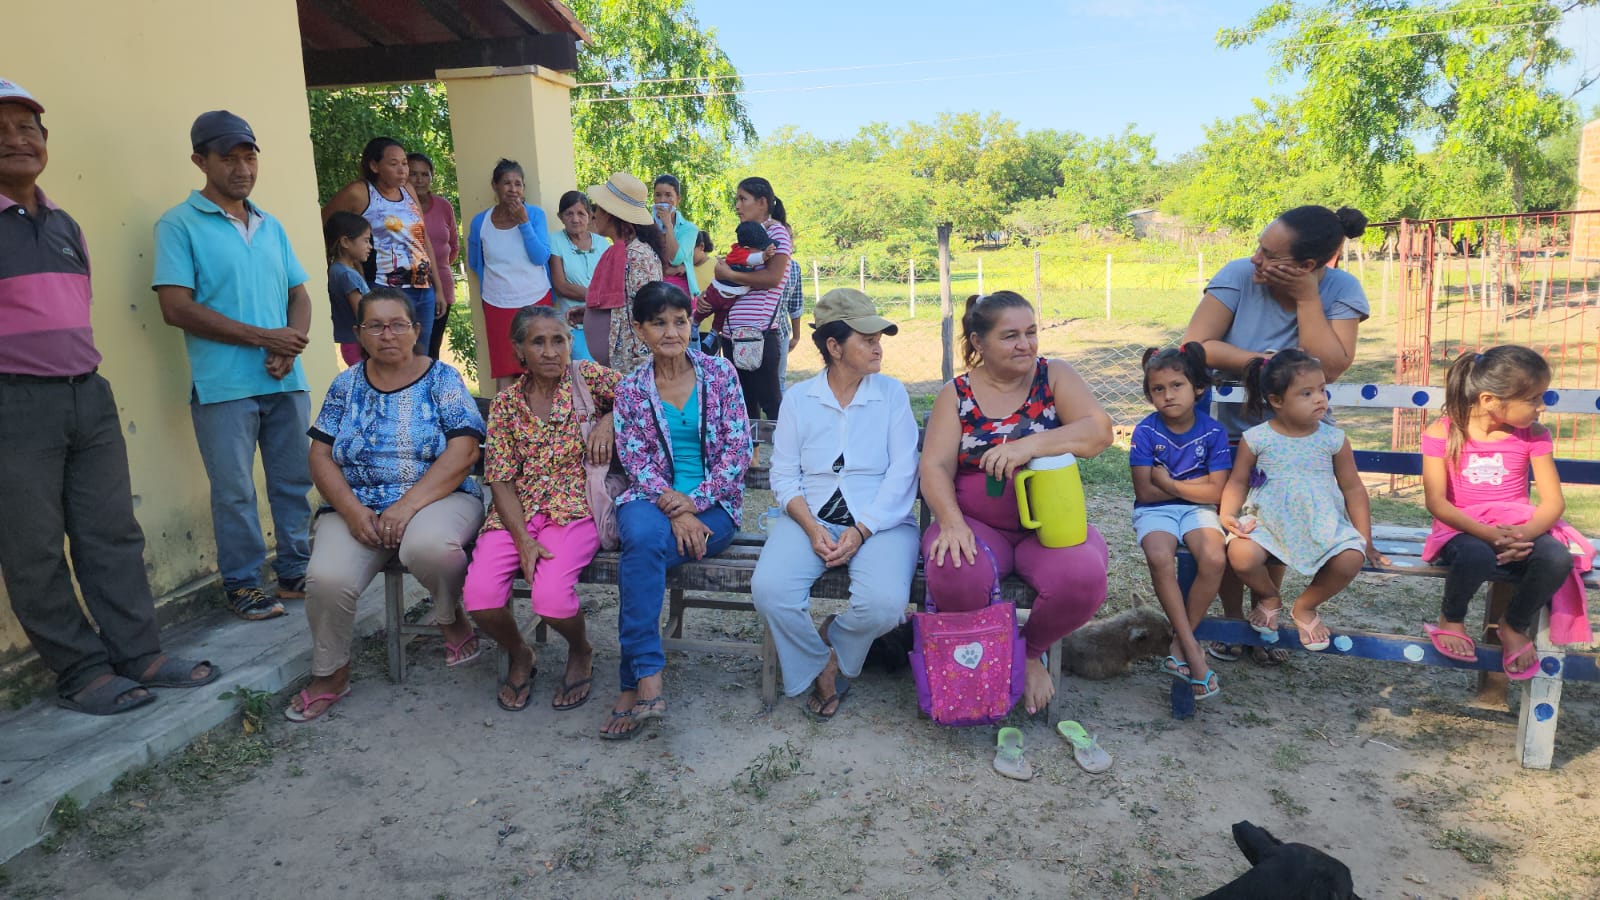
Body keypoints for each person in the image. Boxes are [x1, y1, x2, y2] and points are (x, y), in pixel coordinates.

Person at [0, 77, 217, 715]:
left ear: (45, 143)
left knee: (110, 534)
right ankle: (80, 670)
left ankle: (139, 651)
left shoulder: (63, 224)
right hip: (14, 404)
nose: (17, 141)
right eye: (2, 131)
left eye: (28, 130)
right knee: (32, 545)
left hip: (86, 396)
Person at [1180, 203, 1369, 664]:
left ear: (1306, 266)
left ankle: (1263, 616)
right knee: (1236, 533)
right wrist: (1264, 368)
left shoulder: (1341, 288)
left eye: (1270, 254)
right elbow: (1196, 345)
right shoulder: (1237, 276)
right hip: (1229, 431)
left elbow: (1333, 364)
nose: (1255, 260)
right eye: (1259, 247)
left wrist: (1308, 298)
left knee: (1281, 524)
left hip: (1299, 437)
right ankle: (1232, 624)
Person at [285, 289, 486, 722]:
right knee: (326, 578)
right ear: (358, 334)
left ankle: (450, 615)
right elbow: (319, 455)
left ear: (417, 330)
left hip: (438, 496)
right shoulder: (345, 385)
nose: (387, 334)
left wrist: (407, 507)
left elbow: (465, 450)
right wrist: (353, 512)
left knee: (429, 547)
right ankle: (331, 672)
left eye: (398, 324)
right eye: (375, 326)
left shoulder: (443, 380)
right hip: (358, 506)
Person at [153, 110, 315, 622]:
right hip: (222, 384)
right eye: (229, 158)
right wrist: (263, 337)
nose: (242, 168)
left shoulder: (270, 224)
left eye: (249, 156)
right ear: (201, 161)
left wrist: (288, 347)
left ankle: (294, 570)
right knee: (236, 491)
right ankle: (244, 584)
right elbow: (175, 307)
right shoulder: (178, 224)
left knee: (292, 480)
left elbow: (299, 294)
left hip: (284, 377)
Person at [918, 291, 1113, 715]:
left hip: (1047, 524)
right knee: (955, 570)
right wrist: (951, 523)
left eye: (1030, 332)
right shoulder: (957, 394)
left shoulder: (1054, 376)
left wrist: (1030, 444)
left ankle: (1029, 651)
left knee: (1082, 577)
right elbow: (934, 467)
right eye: (1010, 336)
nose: (1025, 344)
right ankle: (995, 650)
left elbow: (1099, 432)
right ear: (979, 342)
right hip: (976, 521)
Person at [751, 289, 919, 721]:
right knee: (770, 590)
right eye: (867, 338)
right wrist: (810, 527)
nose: (878, 346)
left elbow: (904, 473)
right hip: (811, 515)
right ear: (834, 346)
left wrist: (863, 529)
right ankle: (823, 665)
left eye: (880, 337)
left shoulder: (891, 395)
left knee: (883, 605)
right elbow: (784, 475)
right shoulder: (800, 399)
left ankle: (838, 641)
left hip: (881, 521)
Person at [602, 282, 751, 739]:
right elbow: (635, 459)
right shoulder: (630, 389)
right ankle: (646, 676)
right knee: (643, 539)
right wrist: (674, 507)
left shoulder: (720, 374)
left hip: (714, 508)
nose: (672, 331)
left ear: (692, 323)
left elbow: (738, 450)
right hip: (650, 501)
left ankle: (635, 681)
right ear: (640, 330)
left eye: (680, 321)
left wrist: (695, 503)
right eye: (659, 323)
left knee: (640, 557)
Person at [463, 306, 620, 712]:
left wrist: (609, 420)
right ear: (519, 349)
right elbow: (499, 477)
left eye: (559, 340)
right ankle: (520, 652)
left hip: (574, 507)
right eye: (538, 342)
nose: (550, 351)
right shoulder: (506, 405)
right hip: (517, 511)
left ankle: (580, 649)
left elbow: (644, 395)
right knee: (480, 598)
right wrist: (522, 540)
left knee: (549, 598)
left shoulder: (588, 378)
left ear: (570, 343)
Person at [1420, 346, 1575, 679]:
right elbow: (1437, 502)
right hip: (1463, 530)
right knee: (1477, 556)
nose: (1541, 406)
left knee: (1557, 559)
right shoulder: (1443, 433)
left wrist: (1524, 534)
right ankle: (1452, 618)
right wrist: (1489, 535)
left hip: (1518, 528)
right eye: (1533, 399)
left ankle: (1514, 625)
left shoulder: (1533, 435)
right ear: (1490, 399)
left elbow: (1553, 502)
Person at [1218, 350, 1385, 653]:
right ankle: (1270, 596)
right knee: (1241, 555)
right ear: (1277, 401)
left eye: (1322, 389)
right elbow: (1238, 481)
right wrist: (1228, 515)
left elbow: (1354, 488)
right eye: (1306, 393)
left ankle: (1305, 606)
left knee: (1351, 558)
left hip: (1321, 523)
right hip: (1266, 521)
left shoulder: (1333, 439)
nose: (1320, 398)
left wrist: (1365, 539)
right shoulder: (1256, 438)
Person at [1129, 344, 1231, 699]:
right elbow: (1145, 493)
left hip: (1195, 512)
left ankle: (1177, 644)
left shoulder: (1213, 432)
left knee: (1215, 558)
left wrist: (1170, 484)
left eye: (1177, 385)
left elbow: (1217, 492)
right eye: (1158, 389)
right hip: (1155, 512)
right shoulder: (1145, 432)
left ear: (1197, 389)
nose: (1167, 395)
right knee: (1159, 556)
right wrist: (1196, 488)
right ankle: (1190, 646)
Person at [321, 137, 446, 354]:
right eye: (393, 163)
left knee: (421, 357)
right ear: (374, 165)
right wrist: (344, 262)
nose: (402, 170)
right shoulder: (359, 192)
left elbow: (422, 238)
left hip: (422, 287)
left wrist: (438, 288)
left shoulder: (408, 190)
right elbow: (325, 225)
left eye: (405, 163)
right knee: (393, 354)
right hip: (386, 288)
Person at [467, 159, 553, 389]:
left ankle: (545, 422)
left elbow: (540, 257)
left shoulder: (535, 215)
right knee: (504, 369)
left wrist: (523, 223)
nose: (513, 189)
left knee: (541, 366)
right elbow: (475, 262)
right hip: (498, 304)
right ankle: (505, 423)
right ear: (495, 186)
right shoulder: (480, 222)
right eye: (507, 183)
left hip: (536, 301)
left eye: (518, 183)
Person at [714, 177, 793, 420]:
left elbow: (773, 278)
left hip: (757, 335)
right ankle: (750, 459)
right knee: (743, 408)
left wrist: (730, 274)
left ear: (762, 202)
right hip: (737, 335)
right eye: (736, 199)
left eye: (742, 199)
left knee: (771, 406)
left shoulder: (776, 232)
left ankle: (787, 455)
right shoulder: (750, 236)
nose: (737, 206)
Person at [584, 172, 666, 374]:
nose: (594, 214)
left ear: (611, 214)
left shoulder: (637, 256)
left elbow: (648, 312)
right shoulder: (625, 252)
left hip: (636, 366)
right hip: (626, 366)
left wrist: (642, 365)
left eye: (598, 208)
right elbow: (625, 305)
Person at [547, 190, 610, 363]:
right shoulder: (556, 241)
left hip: (603, 321)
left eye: (581, 213)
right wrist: (596, 296)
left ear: (590, 216)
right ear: (560, 217)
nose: (575, 219)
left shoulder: (602, 243)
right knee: (585, 373)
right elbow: (561, 285)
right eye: (569, 214)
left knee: (608, 375)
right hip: (574, 324)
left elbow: (611, 282)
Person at [408, 152, 460, 361]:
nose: (420, 179)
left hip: (442, 289)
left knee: (432, 350)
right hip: (409, 288)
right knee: (410, 350)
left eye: (425, 174)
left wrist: (438, 273)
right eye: (413, 174)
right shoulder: (398, 206)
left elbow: (454, 246)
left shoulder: (443, 206)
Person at [323, 211, 372, 366]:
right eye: (365, 240)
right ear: (345, 242)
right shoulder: (346, 275)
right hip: (360, 346)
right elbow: (362, 314)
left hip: (353, 346)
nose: (370, 246)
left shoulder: (338, 270)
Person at [653, 174, 701, 297]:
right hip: (653, 289)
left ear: (678, 199)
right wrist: (668, 270)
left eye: (668, 195)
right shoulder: (646, 225)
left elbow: (675, 259)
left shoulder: (689, 229)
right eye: (658, 195)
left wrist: (668, 226)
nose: (662, 200)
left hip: (679, 291)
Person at [776, 258, 805, 385]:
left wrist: (796, 337)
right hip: (750, 334)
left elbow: (795, 304)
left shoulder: (794, 267)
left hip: (781, 332)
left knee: (779, 379)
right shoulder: (753, 262)